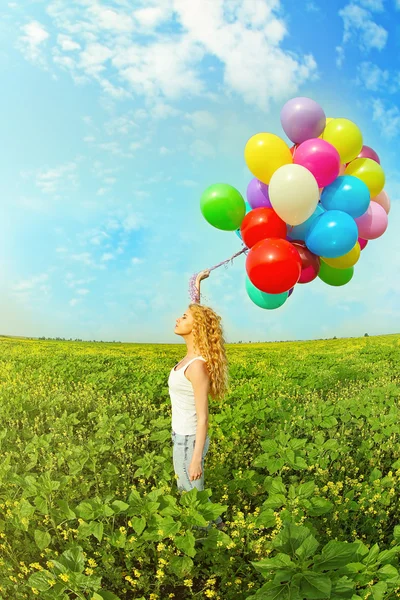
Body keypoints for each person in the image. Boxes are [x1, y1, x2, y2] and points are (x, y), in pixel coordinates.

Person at [168, 269, 229, 531]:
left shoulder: (196, 366)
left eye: (184, 317)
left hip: (189, 440)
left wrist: (195, 459)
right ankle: (221, 529)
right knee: (196, 494)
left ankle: (209, 539)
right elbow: (197, 310)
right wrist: (195, 282)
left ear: (196, 327)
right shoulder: (190, 358)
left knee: (191, 497)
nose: (178, 319)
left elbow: (204, 418)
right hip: (180, 437)